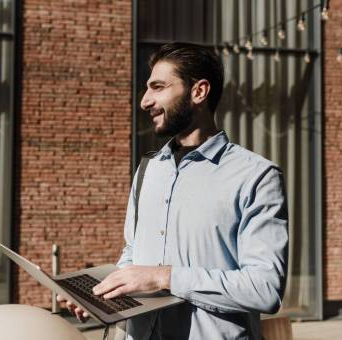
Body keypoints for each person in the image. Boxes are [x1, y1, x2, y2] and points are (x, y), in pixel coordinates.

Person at [58, 42, 289, 340]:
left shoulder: (257, 176)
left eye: (157, 87)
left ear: (199, 92)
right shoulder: (148, 170)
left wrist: (163, 277)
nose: (144, 101)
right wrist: (101, 293)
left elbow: (265, 288)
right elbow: (133, 255)